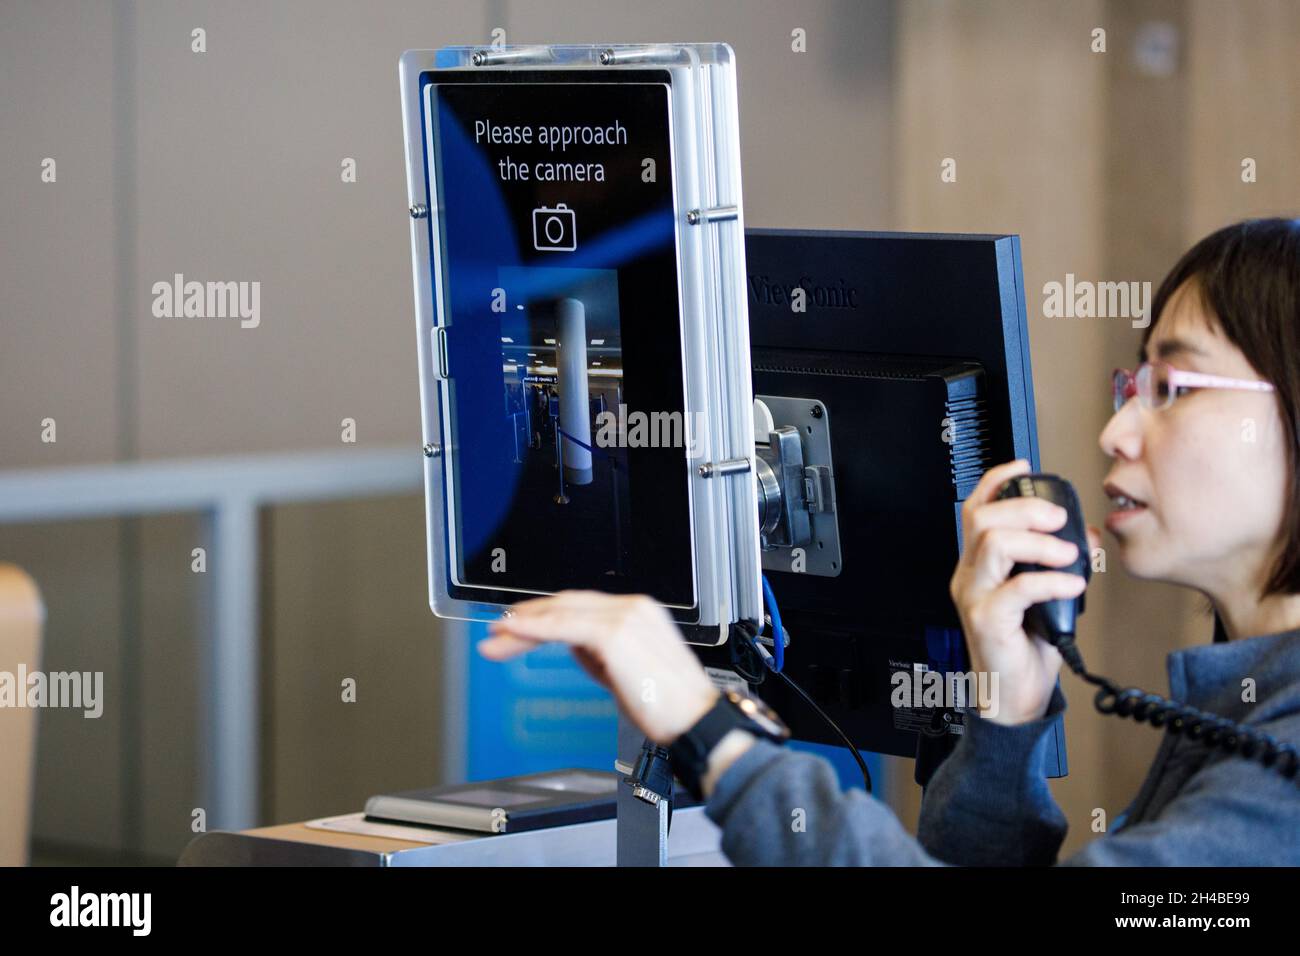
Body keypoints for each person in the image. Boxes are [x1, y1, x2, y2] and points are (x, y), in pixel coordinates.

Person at [478, 218, 1300, 865]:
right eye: (1132, 385)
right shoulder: (1242, 719)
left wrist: (709, 729)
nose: (1117, 429)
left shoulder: (1280, 781)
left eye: (1173, 389)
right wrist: (1005, 711)